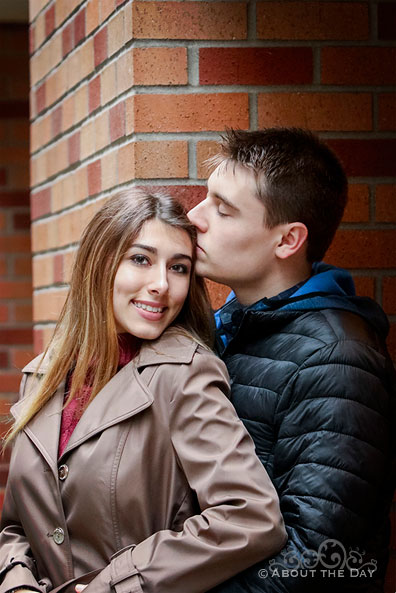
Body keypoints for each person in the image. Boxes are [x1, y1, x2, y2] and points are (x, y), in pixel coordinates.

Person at [0, 189, 287, 593]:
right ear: (99, 263)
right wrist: (16, 582)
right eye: (141, 259)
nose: (161, 285)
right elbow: (15, 526)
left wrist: (118, 584)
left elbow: (250, 517)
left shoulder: (184, 373)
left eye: (179, 268)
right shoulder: (42, 375)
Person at [187, 128, 396, 592]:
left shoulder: (338, 360)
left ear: (287, 240)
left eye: (223, 209)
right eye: (206, 199)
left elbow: (318, 559)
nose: (195, 217)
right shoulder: (232, 324)